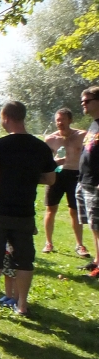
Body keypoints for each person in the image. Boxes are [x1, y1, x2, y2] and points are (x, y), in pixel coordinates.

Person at [0, 101, 56, 316]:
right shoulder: (40, 146)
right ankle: (22, 305)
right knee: (24, 259)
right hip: (24, 211)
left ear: (6, 118)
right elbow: (50, 179)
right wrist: (29, 178)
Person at [43, 108, 89, 256]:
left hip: (75, 175)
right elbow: (45, 162)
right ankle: (48, 243)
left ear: (70, 120)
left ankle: (80, 245)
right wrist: (54, 162)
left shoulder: (82, 135)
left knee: (75, 211)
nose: (59, 122)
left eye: (62, 119)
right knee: (51, 209)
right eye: (57, 120)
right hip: (57, 174)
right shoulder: (50, 139)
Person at [77, 86, 99, 277]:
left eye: (87, 100)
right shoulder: (94, 125)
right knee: (93, 224)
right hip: (85, 181)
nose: (83, 104)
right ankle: (97, 261)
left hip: (96, 183)